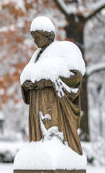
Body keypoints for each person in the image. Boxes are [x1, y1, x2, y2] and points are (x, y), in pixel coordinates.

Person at [20, 16, 84, 155]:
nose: (34, 40)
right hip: (37, 107)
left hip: (54, 108)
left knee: (53, 142)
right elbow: (26, 75)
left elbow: (76, 76)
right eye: (33, 36)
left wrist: (48, 82)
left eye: (37, 36)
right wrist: (26, 85)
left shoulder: (66, 49)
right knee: (40, 146)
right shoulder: (36, 55)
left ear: (48, 36)